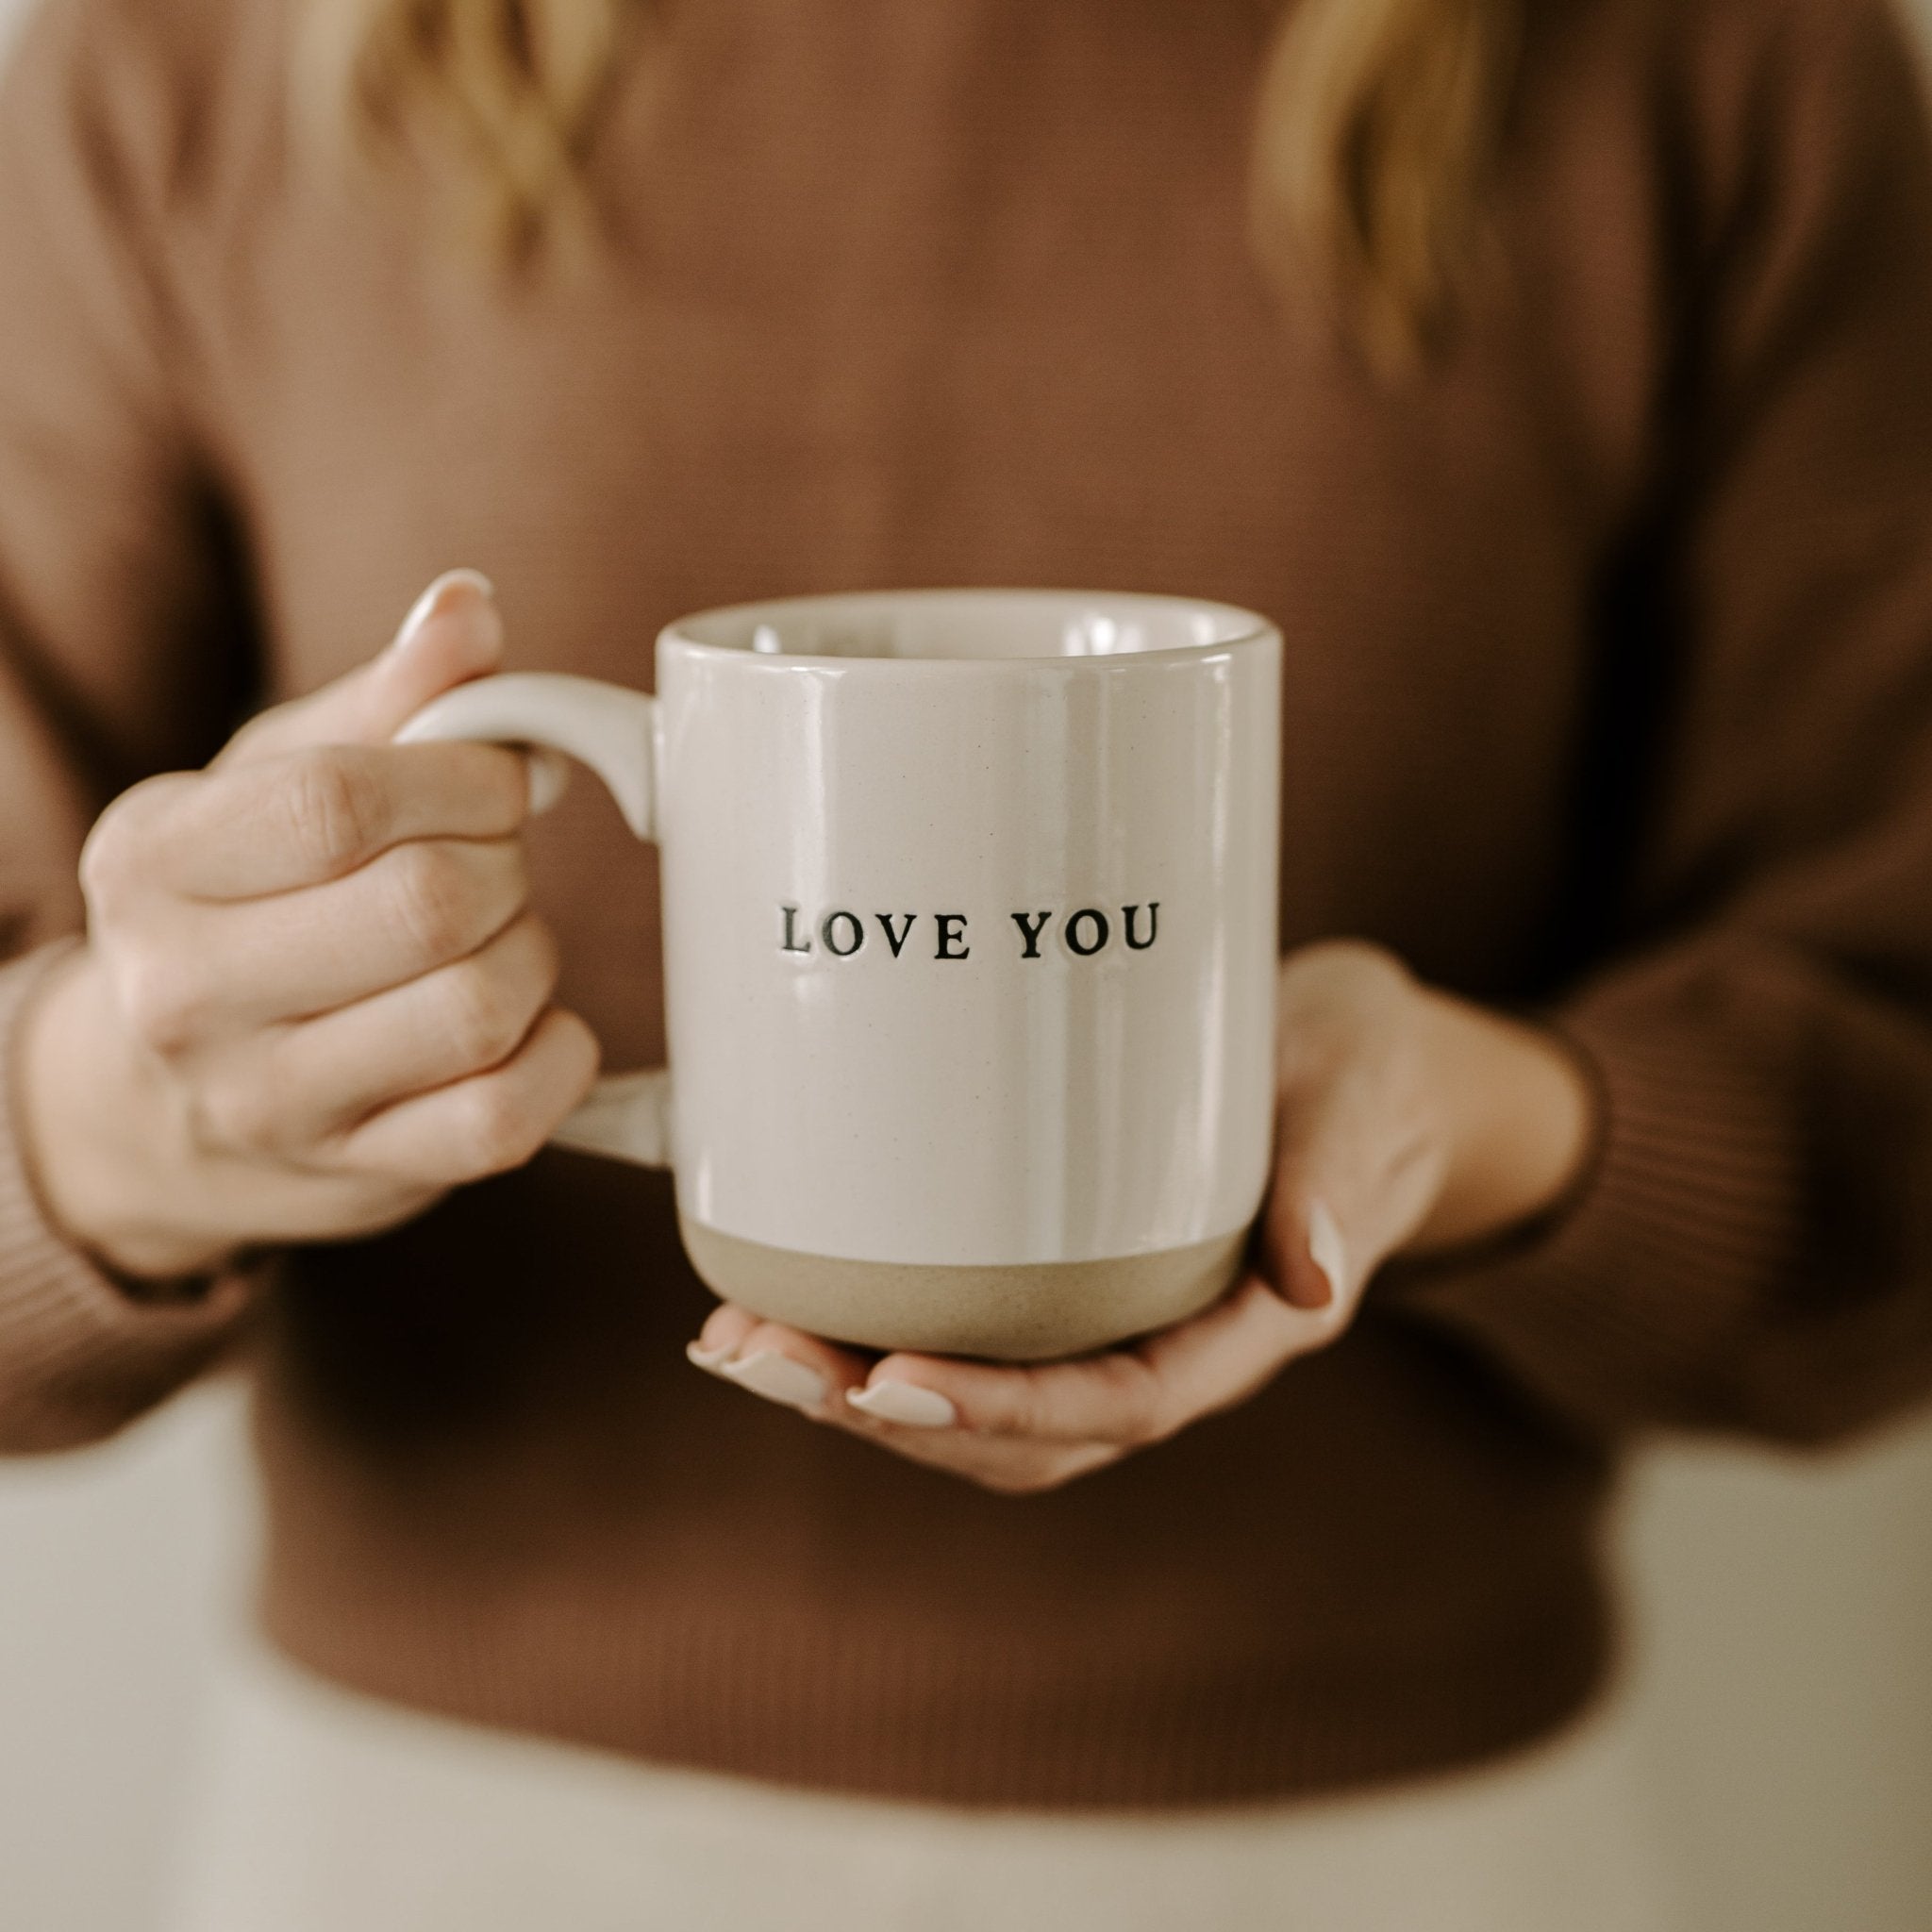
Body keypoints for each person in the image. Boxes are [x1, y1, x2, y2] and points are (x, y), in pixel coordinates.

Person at [3, 0, 1931, 1924]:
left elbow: (1888, 1134)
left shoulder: (1711, 53)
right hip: (425, 1853)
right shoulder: (189, 53)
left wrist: (1470, 1122)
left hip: (1390, 1856)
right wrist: (127, 1100)